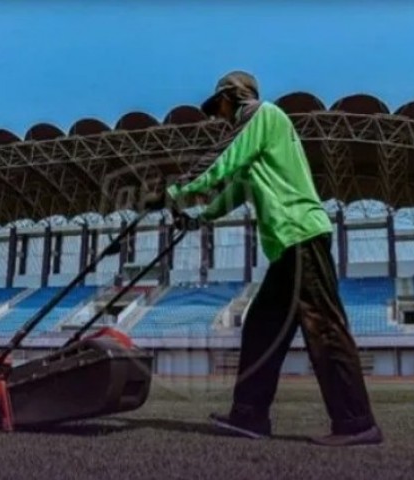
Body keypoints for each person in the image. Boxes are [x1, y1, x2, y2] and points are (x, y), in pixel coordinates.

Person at [145, 71, 383, 447]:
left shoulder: (263, 115)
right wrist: (198, 216)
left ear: (232, 97)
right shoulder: (257, 145)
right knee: (261, 326)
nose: (218, 116)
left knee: (324, 328)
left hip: (301, 234)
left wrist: (175, 189)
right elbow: (234, 191)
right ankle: (249, 416)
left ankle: (356, 423)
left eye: (219, 107)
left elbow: (219, 160)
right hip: (288, 247)